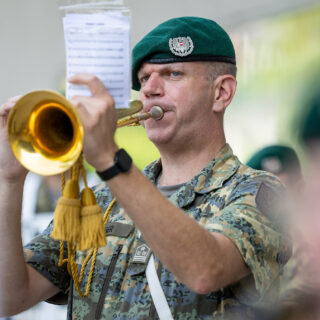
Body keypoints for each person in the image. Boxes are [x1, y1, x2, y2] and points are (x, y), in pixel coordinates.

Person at [0, 17, 290, 319]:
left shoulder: (258, 192)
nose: (149, 89)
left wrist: (110, 160)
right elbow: (9, 297)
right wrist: (8, 180)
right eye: (143, 78)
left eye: (173, 74)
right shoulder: (99, 201)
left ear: (221, 93)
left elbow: (205, 269)